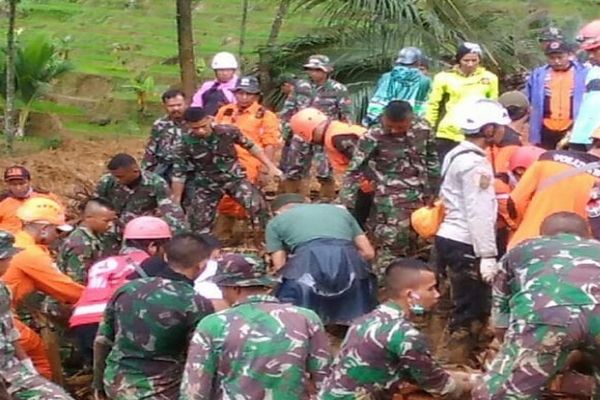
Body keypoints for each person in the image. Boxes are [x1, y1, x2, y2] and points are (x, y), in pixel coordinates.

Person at [473, 212, 600, 399]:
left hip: (547, 316)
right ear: (587, 235)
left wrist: (524, 357)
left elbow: (501, 325)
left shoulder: (523, 249)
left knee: (499, 393)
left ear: (542, 235)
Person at [179, 252, 332, 399]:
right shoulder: (306, 318)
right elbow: (325, 378)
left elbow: (195, 389)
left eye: (222, 288)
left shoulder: (213, 324)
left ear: (234, 288)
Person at [320, 258, 473, 399]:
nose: (437, 294)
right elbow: (440, 386)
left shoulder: (364, 320)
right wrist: (476, 383)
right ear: (410, 295)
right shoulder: (405, 335)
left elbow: (413, 371)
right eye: (431, 289)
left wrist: (454, 375)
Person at [93, 233, 214, 400]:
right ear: (202, 265)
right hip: (162, 390)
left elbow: (103, 340)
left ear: (165, 256)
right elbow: (198, 359)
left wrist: (98, 384)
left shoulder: (128, 288)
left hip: (115, 383)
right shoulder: (196, 303)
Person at [434, 99, 510, 364]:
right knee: (470, 310)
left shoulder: (455, 154)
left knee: (448, 302)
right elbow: (478, 212)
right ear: (487, 129)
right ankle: (451, 365)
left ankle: (438, 356)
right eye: (499, 126)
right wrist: (487, 255)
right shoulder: (474, 164)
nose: (502, 131)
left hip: (448, 237)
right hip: (466, 242)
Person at [340, 101, 438, 275]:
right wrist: (347, 204)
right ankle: (380, 288)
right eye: (390, 126)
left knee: (416, 244)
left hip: (421, 198)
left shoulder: (423, 128)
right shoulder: (373, 135)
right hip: (389, 201)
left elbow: (431, 159)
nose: (394, 131)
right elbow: (354, 170)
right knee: (391, 247)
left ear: (411, 120)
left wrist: (434, 190)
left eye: (400, 127)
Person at [70, 216, 172, 367]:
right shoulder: (149, 264)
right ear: (153, 246)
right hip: (113, 322)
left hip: (81, 321)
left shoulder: (104, 263)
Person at [2, 197, 82, 378]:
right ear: (45, 229)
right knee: (39, 357)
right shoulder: (30, 254)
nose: (59, 236)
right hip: (5, 316)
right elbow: (67, 290)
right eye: (58, 230)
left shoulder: (15, 243)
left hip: (8, 312)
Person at [267, 194, 377, 325]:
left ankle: (304, 324)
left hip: (307, 257)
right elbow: (369, 253)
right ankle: (352, 323)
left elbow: (280, 266)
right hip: (347, 257)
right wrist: (349, 263)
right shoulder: (340, 212)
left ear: (277, 211)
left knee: (291, 286)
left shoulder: (275, 222)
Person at [170, 107, 280, 233]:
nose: (201, 131)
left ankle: (267, 242)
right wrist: (176, 199)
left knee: (258, 206)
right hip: (207, 183)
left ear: (208, 119)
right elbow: (179, 173)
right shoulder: (183, 143)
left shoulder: (227, 131)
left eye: (203, 126)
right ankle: (204, 248)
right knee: (198, 221)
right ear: (188, 125)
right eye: (195, 128)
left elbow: (251, 146)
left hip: (234, 178)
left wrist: (270, 166)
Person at [0, 231, 75, 400]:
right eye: (7, 259)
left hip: (11, 370)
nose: (11, 262)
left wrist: (27, 365)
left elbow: (10, 331)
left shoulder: (3, 290)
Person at [508, 125, 600, 249]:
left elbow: (515, 202)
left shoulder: (548, 159)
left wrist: (528, 223)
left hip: (527, 245)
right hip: (574, 254)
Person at [214, 76, 281, 241]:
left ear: (256, 96)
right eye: (240, 93)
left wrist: (266, 169)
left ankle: (258, 239)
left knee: (253, 202)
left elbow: (269, 143)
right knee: (225, 201)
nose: (244, 97)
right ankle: (224, 237)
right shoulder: (225, 111)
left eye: (248, 94)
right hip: (224, 164)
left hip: (251, 165)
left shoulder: (265, 115)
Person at [279, 54, 352, 199]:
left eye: (317, 70)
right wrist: (287, 130)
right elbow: (288, 109)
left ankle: (326, 202)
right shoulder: (300, 87)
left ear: (326, 71)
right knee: (293, 170)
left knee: (324, 172)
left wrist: (341, 137)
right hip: (300, 135)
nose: (314, 73)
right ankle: (293, 201)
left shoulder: (338, 89)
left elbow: (345, 115)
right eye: (311, 69)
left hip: (324, 136)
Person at [288, 107, 373, 227]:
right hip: (366, 179)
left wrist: (368, 182)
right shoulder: (335, 132)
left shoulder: (337, 137)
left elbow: (366, 161)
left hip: (372, 179)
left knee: (353, 209)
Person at [425, 42, 499, 162]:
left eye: (474, 60)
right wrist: (428, 126)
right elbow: (433, 103)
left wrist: (492, 129)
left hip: (476, 132)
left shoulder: (490, 78)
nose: (470, 64)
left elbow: (493, 105)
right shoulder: (444, 77)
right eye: (466, 60)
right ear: (459, 59)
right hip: (449, 132)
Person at [96, 153, 186, 233]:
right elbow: (96, 206)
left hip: (142, 229)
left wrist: (178, 236)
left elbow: (169, 210)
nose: (116, 180)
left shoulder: (156, 183)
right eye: (114, 176)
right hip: (112, 227)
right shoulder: (107, 181)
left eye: (120, 176)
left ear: (135, 171)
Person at [526, 40, 588, 150]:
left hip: (572, 127)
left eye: (560, 57)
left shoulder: (583, 73)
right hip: (545, 127)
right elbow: (528, 98)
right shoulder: (538, 75)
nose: (557, 61)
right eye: (552, 58)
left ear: (569, 55)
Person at [364, 47, 432, 126]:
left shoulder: (386, 77)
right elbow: (425, 104)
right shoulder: (425, 80)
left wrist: (371, 118)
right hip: (410, 123)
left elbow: (378, 101)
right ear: (418, 62)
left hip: (386, 121)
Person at [57, 198, 117, 284]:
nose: (111, 224)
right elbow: (77, 281)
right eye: (106, 221)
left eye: (112, 220)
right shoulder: (81, 244)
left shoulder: (97, 235)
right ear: (88, 218)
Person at [141, 89, 187, 183]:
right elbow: (151, 149)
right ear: (165, 106)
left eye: (179, 105)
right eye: (171, 106)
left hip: (189, 169)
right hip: (164, 166)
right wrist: (145, 172)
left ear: (185, 103)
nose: (175, 109)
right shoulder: (160, 124)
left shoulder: (195, 123)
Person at [0, 166, 61, 234]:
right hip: (9, 242)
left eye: (22, 183)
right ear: (7, 184)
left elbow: (62, 219)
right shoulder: (2, 201)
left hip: (42, 241)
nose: (18, 188)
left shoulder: (47, 197)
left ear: (29, 181)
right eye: (13, 184)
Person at [570, 20, 600, 151]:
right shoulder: (592, 71)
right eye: (588, 52)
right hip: (582, 138)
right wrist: (574, 133)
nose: (591, 56)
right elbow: (587, 107)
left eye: (594, 50)